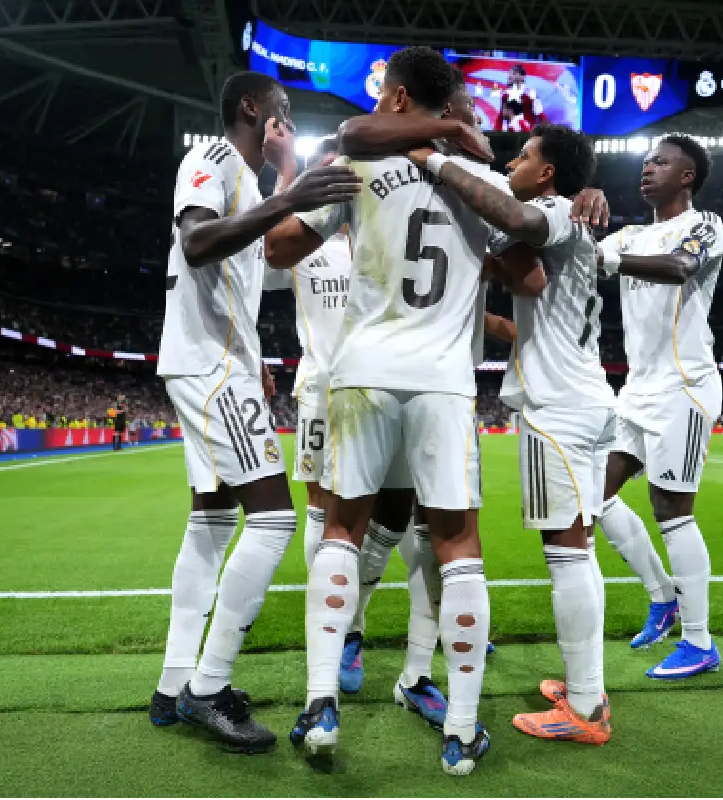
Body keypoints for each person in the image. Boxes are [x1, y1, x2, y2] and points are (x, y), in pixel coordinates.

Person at [263, 45, 504, 776]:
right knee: (457, 544)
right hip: (444, 380)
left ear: (397, 98)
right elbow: (523, 265)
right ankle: (461, 731)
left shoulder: (356, 167)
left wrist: (296, 192)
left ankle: (319, 703)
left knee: (340, 528)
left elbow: (277, 250)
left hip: (361, 369)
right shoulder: (482, 178)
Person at [148, 70, 361, 752]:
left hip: (220, 359)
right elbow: (198, 241)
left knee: (211, 521)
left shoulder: (245, 178)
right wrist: (292, 190)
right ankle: (208, 689)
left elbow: (256, 252)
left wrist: (287, 179)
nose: (287, 121)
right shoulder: (211, 158)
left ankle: (172, 683)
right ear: (251, 108)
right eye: (283, 111)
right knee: (272, 520)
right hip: (211, 367)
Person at [407, 122, 614, 743]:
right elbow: (526, 276)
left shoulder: (550, 209)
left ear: (548, 174)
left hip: (556, 405)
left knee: (566, 553)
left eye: (524, 156)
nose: (514, 163)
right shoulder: (572, 219)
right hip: (588, 398)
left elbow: (512, 216)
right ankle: (588, 689)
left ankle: (584, 711)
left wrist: (436, 164)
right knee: (580, 549)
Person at [594, 133, 723, 679]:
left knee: (673, 511)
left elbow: (679, 267)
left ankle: (699, 642)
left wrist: (615, 258)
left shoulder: (706, 224)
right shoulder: (628, 233)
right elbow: (583, 257)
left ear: (686, 176)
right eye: (646, 161)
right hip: (638, 391)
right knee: (591, 498)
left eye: (661, 161)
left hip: (684, 387)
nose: (647, 168)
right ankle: (662, 596)